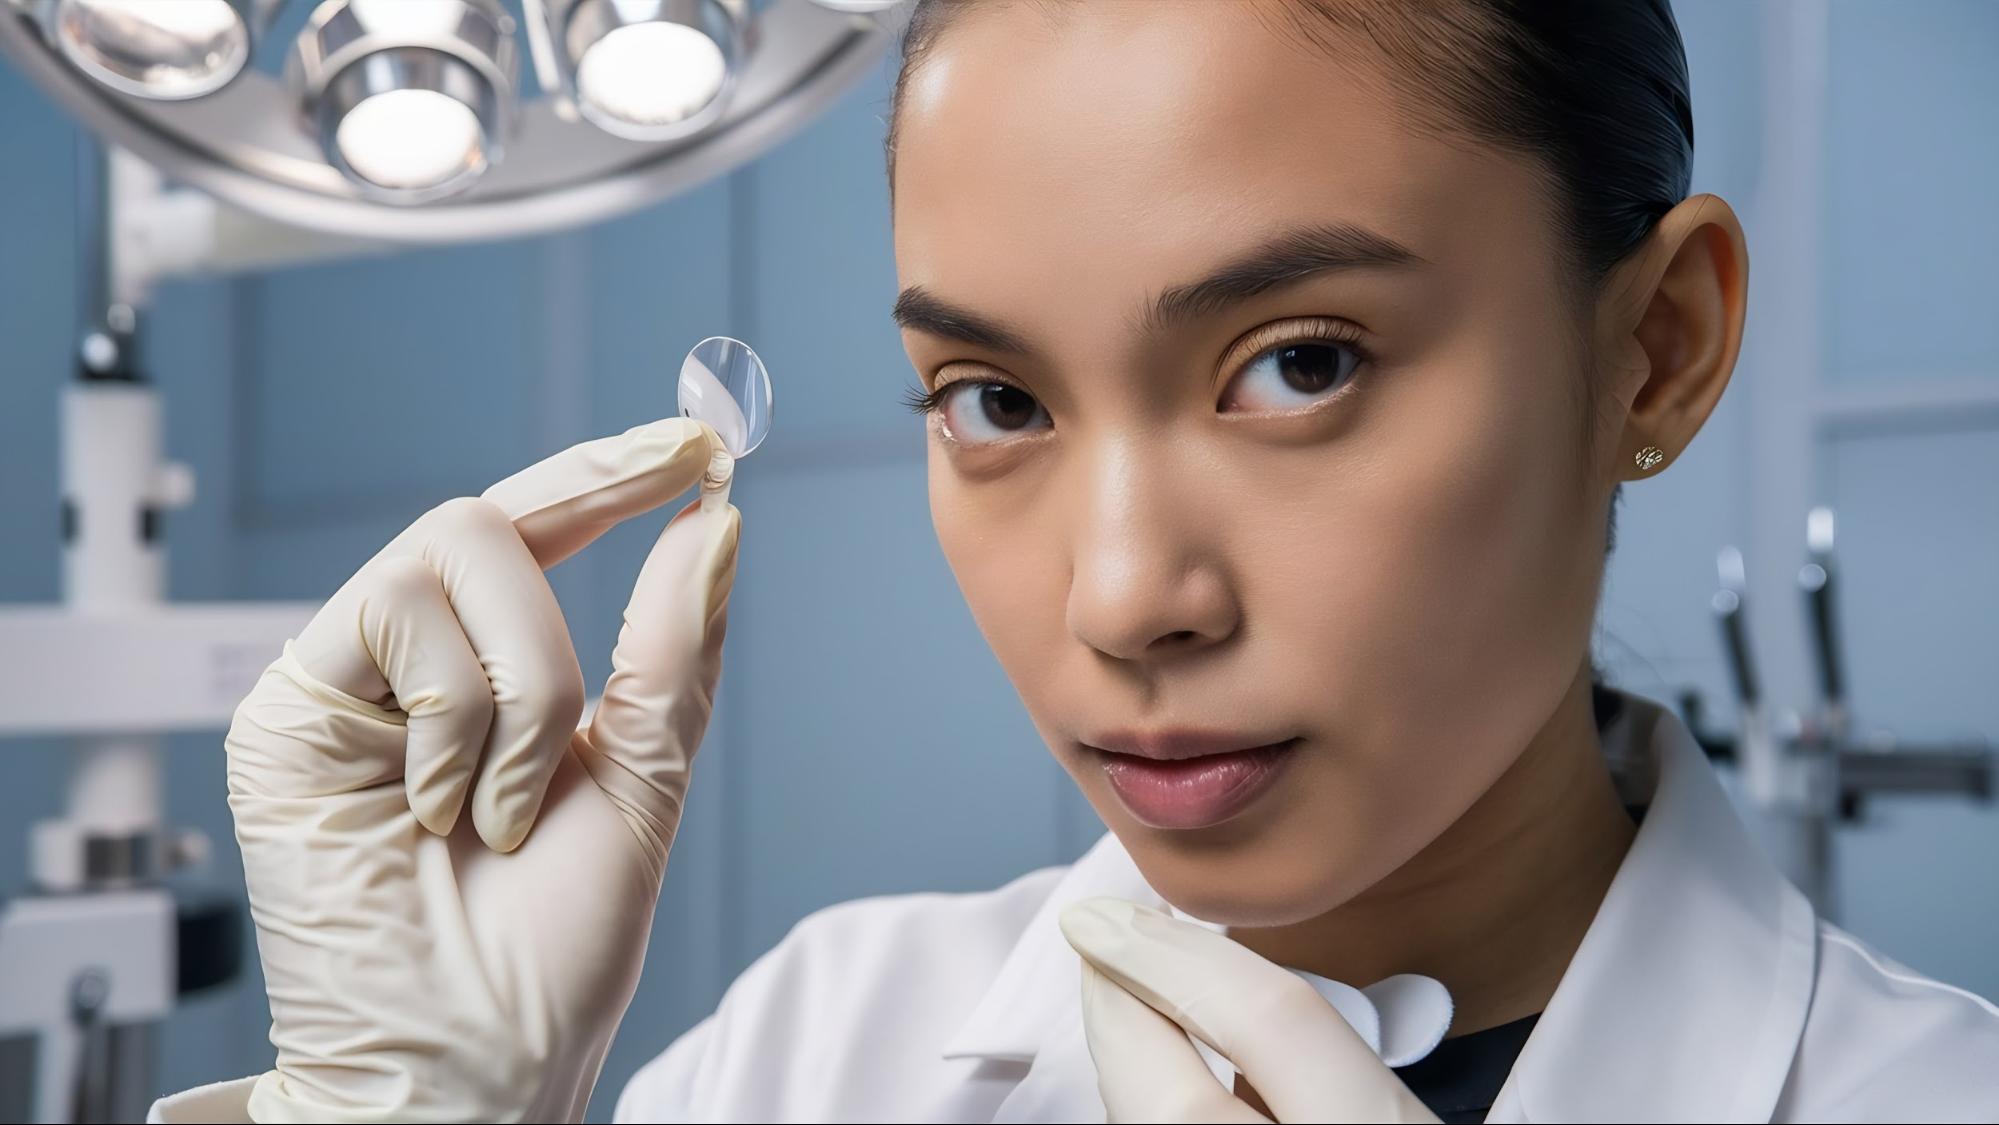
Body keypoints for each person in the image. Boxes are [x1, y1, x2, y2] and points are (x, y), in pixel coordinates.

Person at [154, 1, 1999, 1122]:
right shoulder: (815, 1053)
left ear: (1654, 347)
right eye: (994, 400)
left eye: (1301, 364)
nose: (1124, 598)